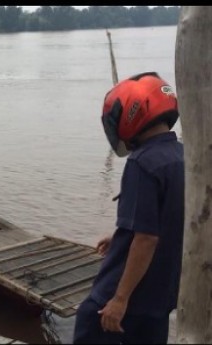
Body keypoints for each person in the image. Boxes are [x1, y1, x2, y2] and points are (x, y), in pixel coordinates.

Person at [73, 72, 184, 344]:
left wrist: (119, 299)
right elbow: (171, 220)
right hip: (160, 299)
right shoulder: (184, 156)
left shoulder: (142, 163)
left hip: (127, 296)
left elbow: (147, 238)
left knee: (89, 316)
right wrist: (122, 235)